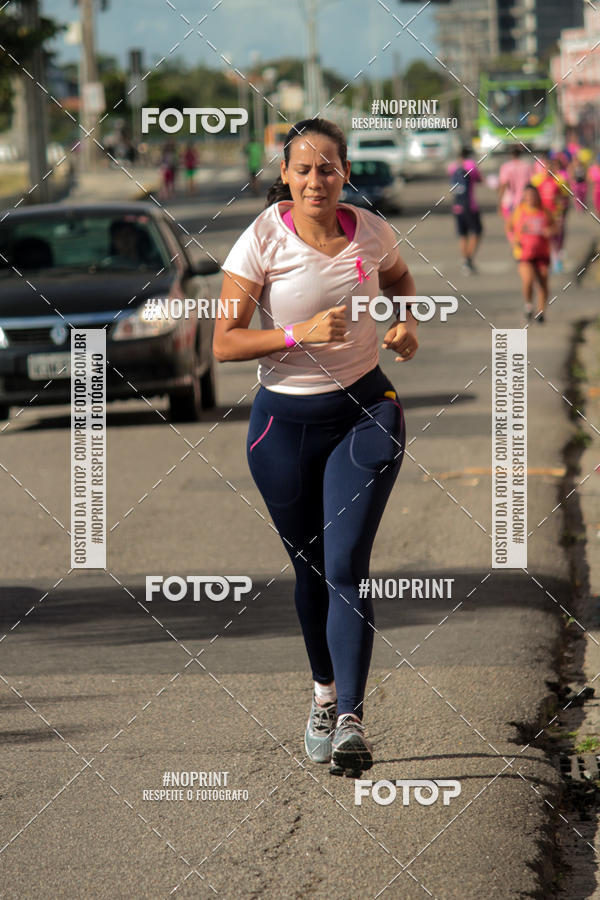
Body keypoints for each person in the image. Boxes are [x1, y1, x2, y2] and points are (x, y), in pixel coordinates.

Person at [213, 118, 419, 777]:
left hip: (366, 412)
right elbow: (224, 342)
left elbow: (400, 281)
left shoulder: (371, 230)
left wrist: (405, 322)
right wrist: (298, 332)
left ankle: (353, 719)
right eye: (303, 169)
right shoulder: (262, 240)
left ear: (345, 172)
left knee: (346, 564)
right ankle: (324, 695)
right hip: (284, 428)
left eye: (327, 167)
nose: (315, 180)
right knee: (310, 574)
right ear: (285, 176)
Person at [510, 184, 555, 323]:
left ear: (537, 197)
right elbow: (509, 226)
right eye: (527, 196)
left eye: (533, 196)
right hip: (524, 254)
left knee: (543, 280)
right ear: (523, 197)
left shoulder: (544, 211)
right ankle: (529, 305)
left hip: (542, 253)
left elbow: (554, 226)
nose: (530, 198)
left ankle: (541, 312)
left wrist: (550, 231)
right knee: (528, 279)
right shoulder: (519, 211)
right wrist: (514, 240)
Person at [531, 155, 570, 272]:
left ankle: (557, 261)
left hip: (555, 214)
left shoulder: (559, 181)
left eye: (550, 167)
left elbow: (564, 198)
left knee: (555, 238)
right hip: (542, 215)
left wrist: (561, 213)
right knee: (543, 238)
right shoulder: (537, 181)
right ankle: (545, 260)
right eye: (545, 167)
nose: (548, 169)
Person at [447, 147, 483, 274]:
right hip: (470, 205)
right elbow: (479, 179)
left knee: (463, 234)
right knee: (477, 231)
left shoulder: (452, 166)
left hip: (457, 205)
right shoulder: (471, 165)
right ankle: (469, 258)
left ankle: (465, 260)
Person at [498, 145, 534, 240]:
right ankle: (522, 241)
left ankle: (515, 242)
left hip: (510, 201)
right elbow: (531, 184)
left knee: (510, 224)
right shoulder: (527, 166)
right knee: (523, 223)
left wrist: (499, 202)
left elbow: (504, 185)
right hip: (524, 199)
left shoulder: (506, 167)